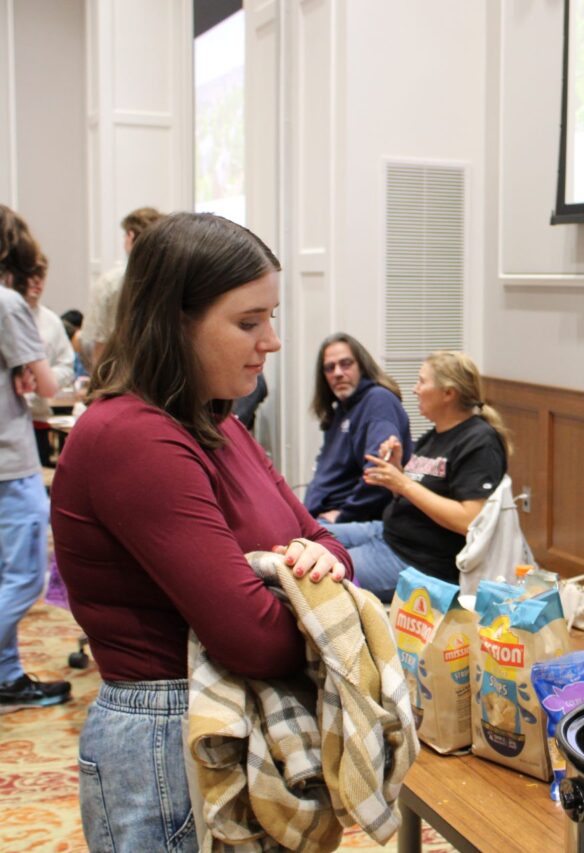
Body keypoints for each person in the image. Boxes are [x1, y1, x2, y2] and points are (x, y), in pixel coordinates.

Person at [50, 212, 352, 850]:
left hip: (221, 725)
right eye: (248, 322)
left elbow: (327, 543)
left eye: (271, 316)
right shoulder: (133, 436)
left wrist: (316, 571)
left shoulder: (221, 424)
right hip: (169, 742)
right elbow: (252, 639)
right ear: (173, 322)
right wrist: (329, 617)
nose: (271, 340)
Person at [325, 351, 510, 601]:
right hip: (387, 534)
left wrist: (402, 483)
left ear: (448, 393)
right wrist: (397, 470)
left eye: (422, 381)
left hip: (420, 562)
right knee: (310, 534)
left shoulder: (479, 442)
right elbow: (416, 492)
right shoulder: (435, 435)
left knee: (320, 574)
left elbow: (469, 520)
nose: (415, 389)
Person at [0, 205, 70, 708]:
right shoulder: (7, 304)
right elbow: (49, 386)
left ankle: (7, 677)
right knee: (25, 578)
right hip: (9, 461)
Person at [304, 332, 412, 523]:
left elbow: (380, 471)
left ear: (362, 366)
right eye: (329, 368)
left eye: (346, 364)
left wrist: (344, 515)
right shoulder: (340, 409)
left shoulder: (378, 400)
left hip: (352, 520)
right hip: (318, 513)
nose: (337, 373)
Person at [8, 256, 76, 466]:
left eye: (42, 277)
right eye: (32, 276)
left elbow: (67, 365)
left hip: (37, 416)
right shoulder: (8, 312)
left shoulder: (51, 321)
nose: (38, 282)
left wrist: (44, 379)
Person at [81, 206, 163, 367]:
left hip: (118, 374)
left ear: (130, 236)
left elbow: (97, 341)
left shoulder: (110, 283)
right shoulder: (171, 281)